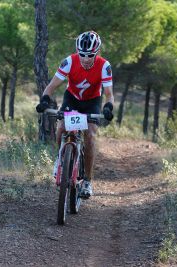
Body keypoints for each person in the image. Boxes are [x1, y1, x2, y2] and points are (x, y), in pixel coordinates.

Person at [36, 30, 114, 198]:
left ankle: (87, 181)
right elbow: (51, 86)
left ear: (97, 52)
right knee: (61, 127)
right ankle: (60, 157)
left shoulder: (104, 65)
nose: (86, 59)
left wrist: (108, 107)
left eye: (90, 55)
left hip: (92, 101)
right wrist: (44, 101)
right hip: (72, 98)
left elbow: (109, 93)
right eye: (82, 54)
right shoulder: (69, 62)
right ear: (77, 51)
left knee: (91, 136)